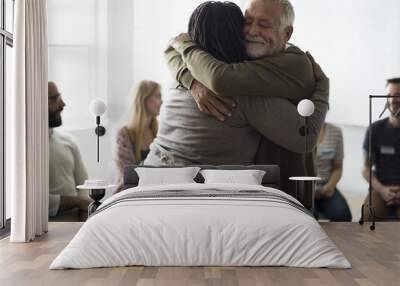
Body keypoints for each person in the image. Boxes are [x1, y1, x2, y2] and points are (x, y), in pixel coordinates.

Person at [158, 0, 329, 196]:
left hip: (287, 184)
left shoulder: (294, 65)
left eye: (264, 24)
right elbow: (171, 49)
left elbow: (218, 78)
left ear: (287, 33)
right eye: (247, 22)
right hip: (252, 185)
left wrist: (324, 85)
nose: (252, 31)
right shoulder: (244, 61)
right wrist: (192, 82)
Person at [48, 82, 91, 220]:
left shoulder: (69, 141)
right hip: (48, 226)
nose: (63, 104)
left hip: (76, 220)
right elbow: (31, 200)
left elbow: (83, 184)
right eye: (55, 99)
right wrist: (78, 202)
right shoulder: (26, 150)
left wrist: (84, 214)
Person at [362, 78, 400, 221]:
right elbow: (365, 168)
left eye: (397, 95)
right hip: (381, 188)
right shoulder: (375, 129)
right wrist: (382, 190)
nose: (392, 100)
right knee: (367, 218)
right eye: (389, 95)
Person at [115, 80, 162, 186]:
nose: (162, 101)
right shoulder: (124, 134)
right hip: (131, 191)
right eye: (158, 96)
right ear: (144, 99)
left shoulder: (159, 132)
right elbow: (127, 175)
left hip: (155, 190)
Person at [314, 122, 352, 221]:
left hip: (327, 186)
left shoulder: (336, 132)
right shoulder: (296, 131)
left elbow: (338, 167)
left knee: (343, 215)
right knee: (308, 218)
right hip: (303, 189)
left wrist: (330, 186)